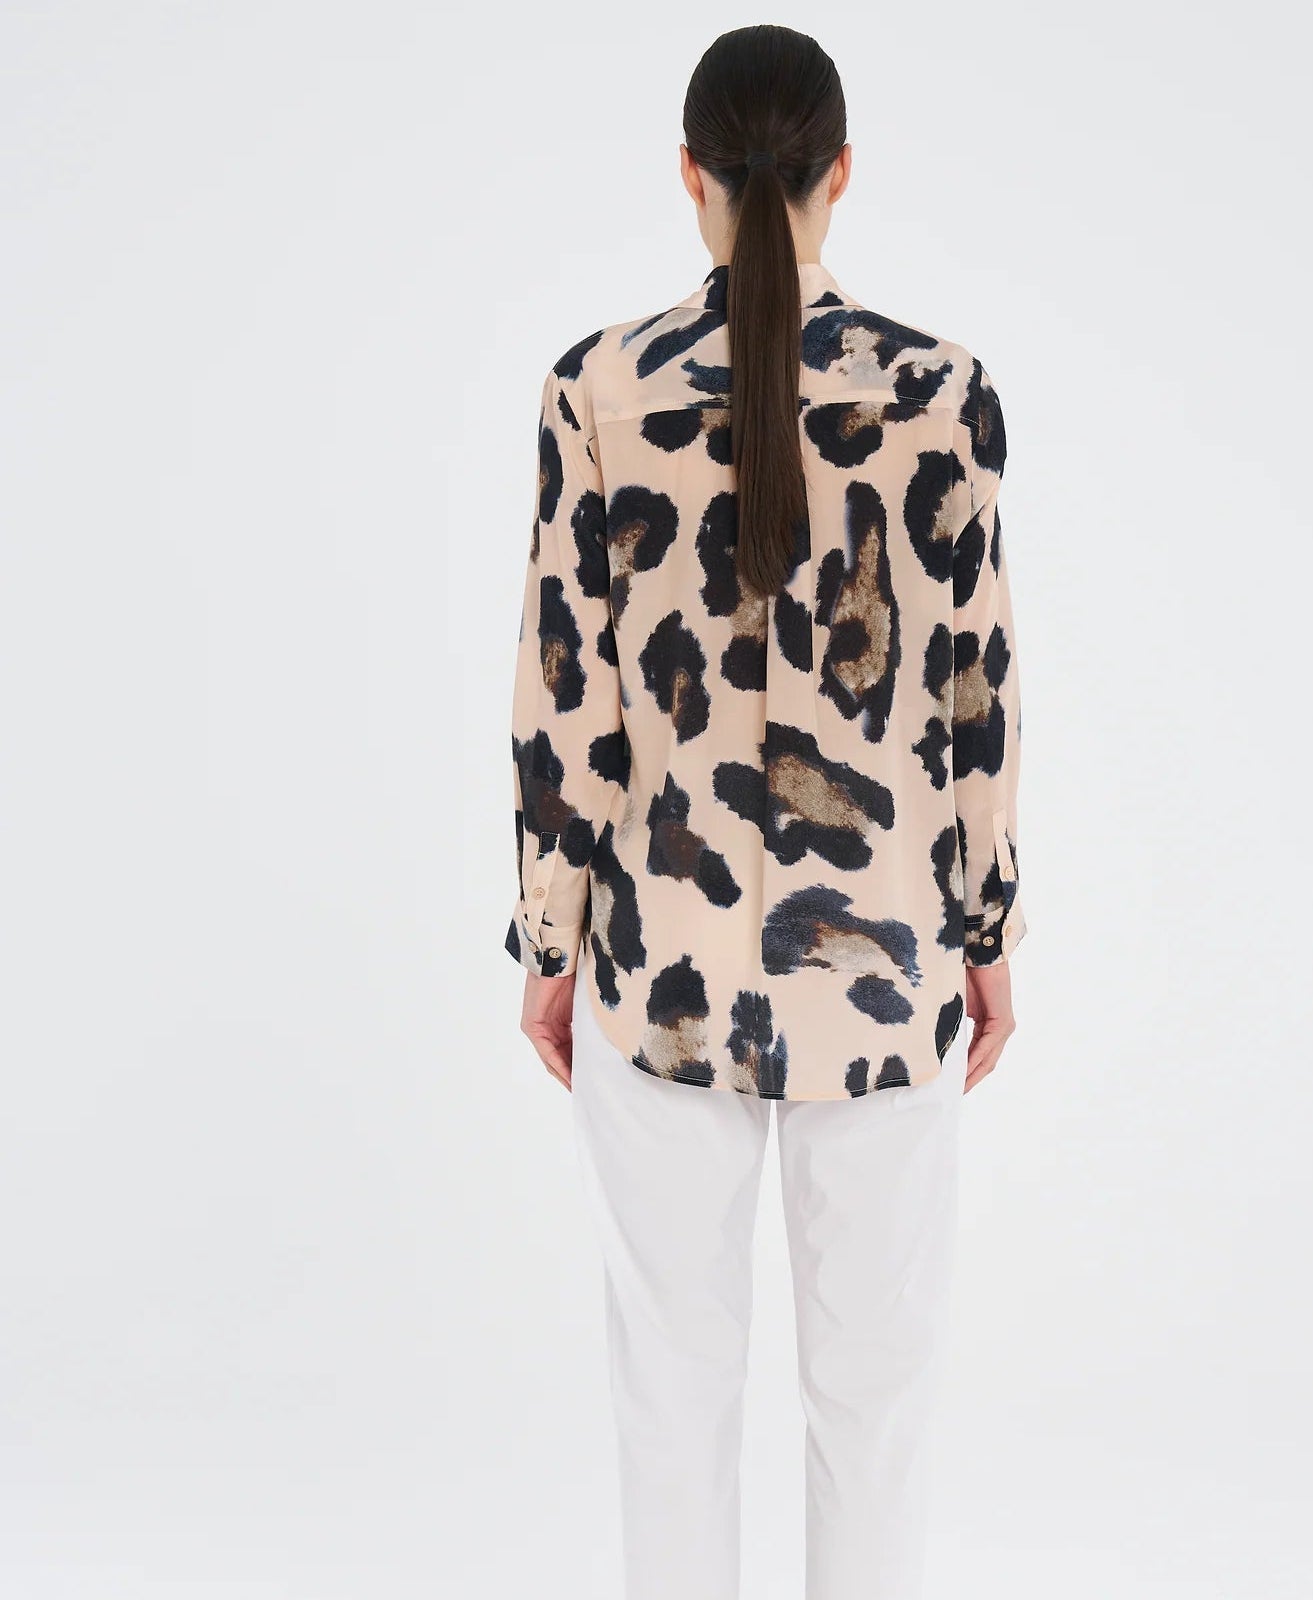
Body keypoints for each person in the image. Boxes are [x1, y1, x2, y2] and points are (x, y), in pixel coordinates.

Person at [504, 24, 1024, 1600]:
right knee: (875, 1403)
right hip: (885, 968)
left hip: (658, 967)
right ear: (840, 172)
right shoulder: (941, 394)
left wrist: (549, 943)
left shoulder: (597, 391)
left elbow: (566, 702)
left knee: (671, 1393)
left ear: (690, 175)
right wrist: (986, 931)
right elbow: (976, 695)